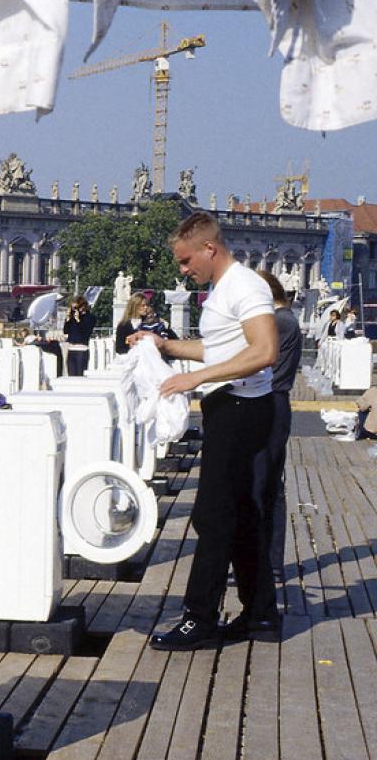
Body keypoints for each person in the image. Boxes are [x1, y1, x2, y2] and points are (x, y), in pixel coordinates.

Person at [129, 212, 278, 650]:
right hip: (231, 404)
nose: (182, 269)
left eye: (185, 259)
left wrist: (197, 378)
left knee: (213, 516)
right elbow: (219, 347)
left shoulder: (245, 286)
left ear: (209, 248)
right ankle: (260, 615)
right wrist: (166, 345)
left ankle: (200, 618)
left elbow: (265, 349)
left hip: (240, 406)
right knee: (241, 514)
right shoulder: (223, 290)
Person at [255, 270, 301, 582]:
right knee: (270, 485)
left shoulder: (279, 322)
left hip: (270, 403)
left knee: (261, 485)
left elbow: (254, 357)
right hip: (277, 404)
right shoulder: (287, 320)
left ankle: (263, 563)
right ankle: (269, 562)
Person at [62, 295, 95, 376]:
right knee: (71, 376)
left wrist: (78, 320)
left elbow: (86, 332)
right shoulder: (72, 318)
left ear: (83, 306)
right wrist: (67, 320)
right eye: (73, 308)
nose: (75, 310)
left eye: (77, 307)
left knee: (80, 376)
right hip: (71, 349)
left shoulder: (89, 317)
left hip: (82, 350)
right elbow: (66, 331)